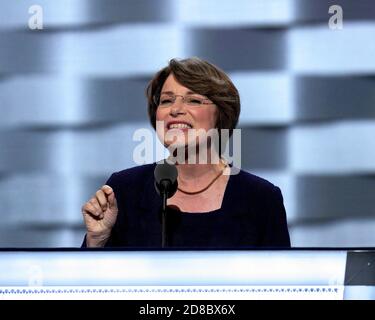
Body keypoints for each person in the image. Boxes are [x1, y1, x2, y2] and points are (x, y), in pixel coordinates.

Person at [81, 57, 290, 248]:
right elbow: (88, 285)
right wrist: (96, 241)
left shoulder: (261, 199)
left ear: (221, 113)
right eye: (166, 100)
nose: (175, 109)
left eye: (194, 100)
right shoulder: (124, 191)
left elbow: (281, 286)